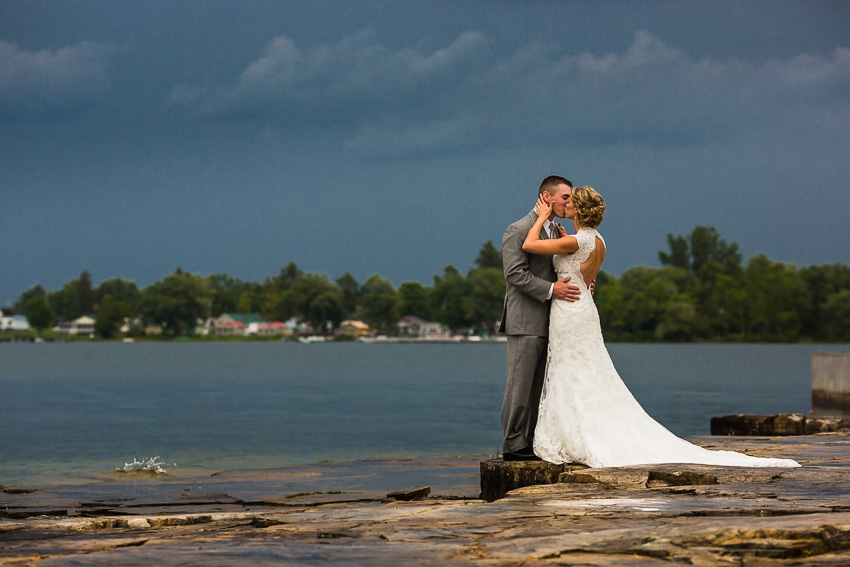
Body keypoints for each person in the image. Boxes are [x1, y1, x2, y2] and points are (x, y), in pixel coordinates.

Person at [521, 186, 800, 468]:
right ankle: (582, 429)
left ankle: (575, 435)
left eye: (570, 201)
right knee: (584, 371)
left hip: (569, 310)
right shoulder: (598, 241)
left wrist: (542, 218)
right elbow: (583, 272)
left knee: (571, 370)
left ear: (578, 210)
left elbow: (529, 245)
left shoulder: (574, 242)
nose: (565, 204)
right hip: (584, 310)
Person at [498, 175, 581, 461]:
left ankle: (531, 443)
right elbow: (514, 274)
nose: (569, 203)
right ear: (547, 197)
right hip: (524, 322)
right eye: (566, 197)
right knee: (519, 387)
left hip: (551, 322)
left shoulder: (556, 232)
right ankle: (512, 446)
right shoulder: (518, 229)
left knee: (539, 390)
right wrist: (551, 289)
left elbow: (558, 270)